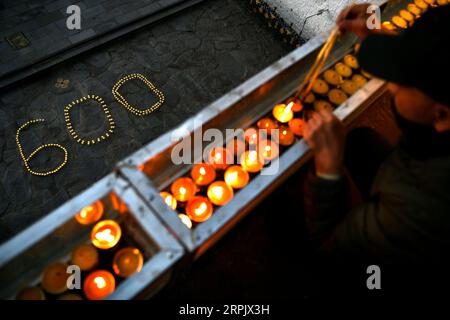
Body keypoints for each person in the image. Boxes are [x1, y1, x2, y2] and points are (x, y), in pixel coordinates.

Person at [302, 2, 450, 276]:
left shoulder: (421, 211)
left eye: (400, 81)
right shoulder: (437, 133)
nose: (390, 84)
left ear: (441, 115)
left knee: (285, 216)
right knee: (359, 143)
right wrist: (381, 39)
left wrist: (328, 173)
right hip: (407, 174)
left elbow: (330, 247)